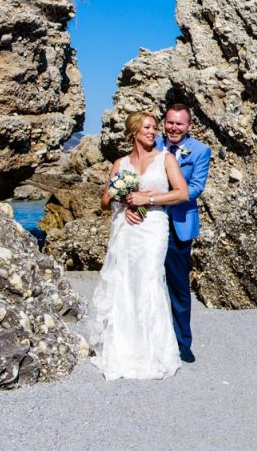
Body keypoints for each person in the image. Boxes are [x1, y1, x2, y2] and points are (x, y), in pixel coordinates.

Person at [87, 111, 189, 380]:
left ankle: (152, 352)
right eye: (147, 127)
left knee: (148, 279)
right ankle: (123, 349)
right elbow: (105, 201)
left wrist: (149, 199)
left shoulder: (165, 159)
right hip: (126, 228)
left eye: (155, 128)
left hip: (153, 228)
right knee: (124, 281)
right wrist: (123, 202)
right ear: (133, 131)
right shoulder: (121, 163)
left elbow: (182, 193)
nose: (153, 132)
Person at [127, 103, 211, 363]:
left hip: (178, 225)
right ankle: (147, 339)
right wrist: (130, 205)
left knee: (178, 285)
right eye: (170, 123)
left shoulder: (199, 151)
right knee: (147, 280)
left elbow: (194, 188)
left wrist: (151, 198)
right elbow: (135, 175)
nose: (174, 128)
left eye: (180, 123)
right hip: (148, 224)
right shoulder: (153, 142)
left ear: (189, 126)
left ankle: (182, 342)